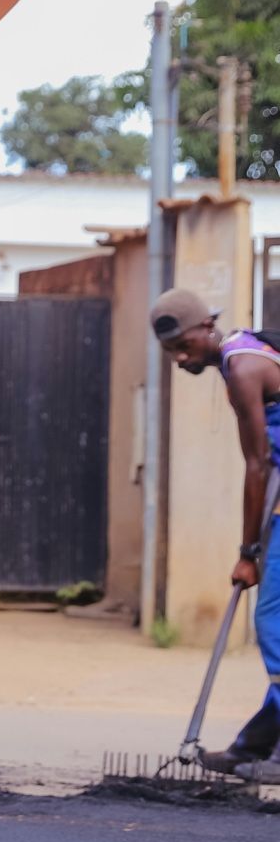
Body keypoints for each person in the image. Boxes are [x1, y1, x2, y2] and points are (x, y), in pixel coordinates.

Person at [151, 286, 280, 784]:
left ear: (209, 327)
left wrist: (248, 553)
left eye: (185, 345)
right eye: (171, 353)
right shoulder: (248, 351)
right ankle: (256, 745)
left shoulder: (242, 369)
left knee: (272, 625)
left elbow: (258, 466)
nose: (181, 359)